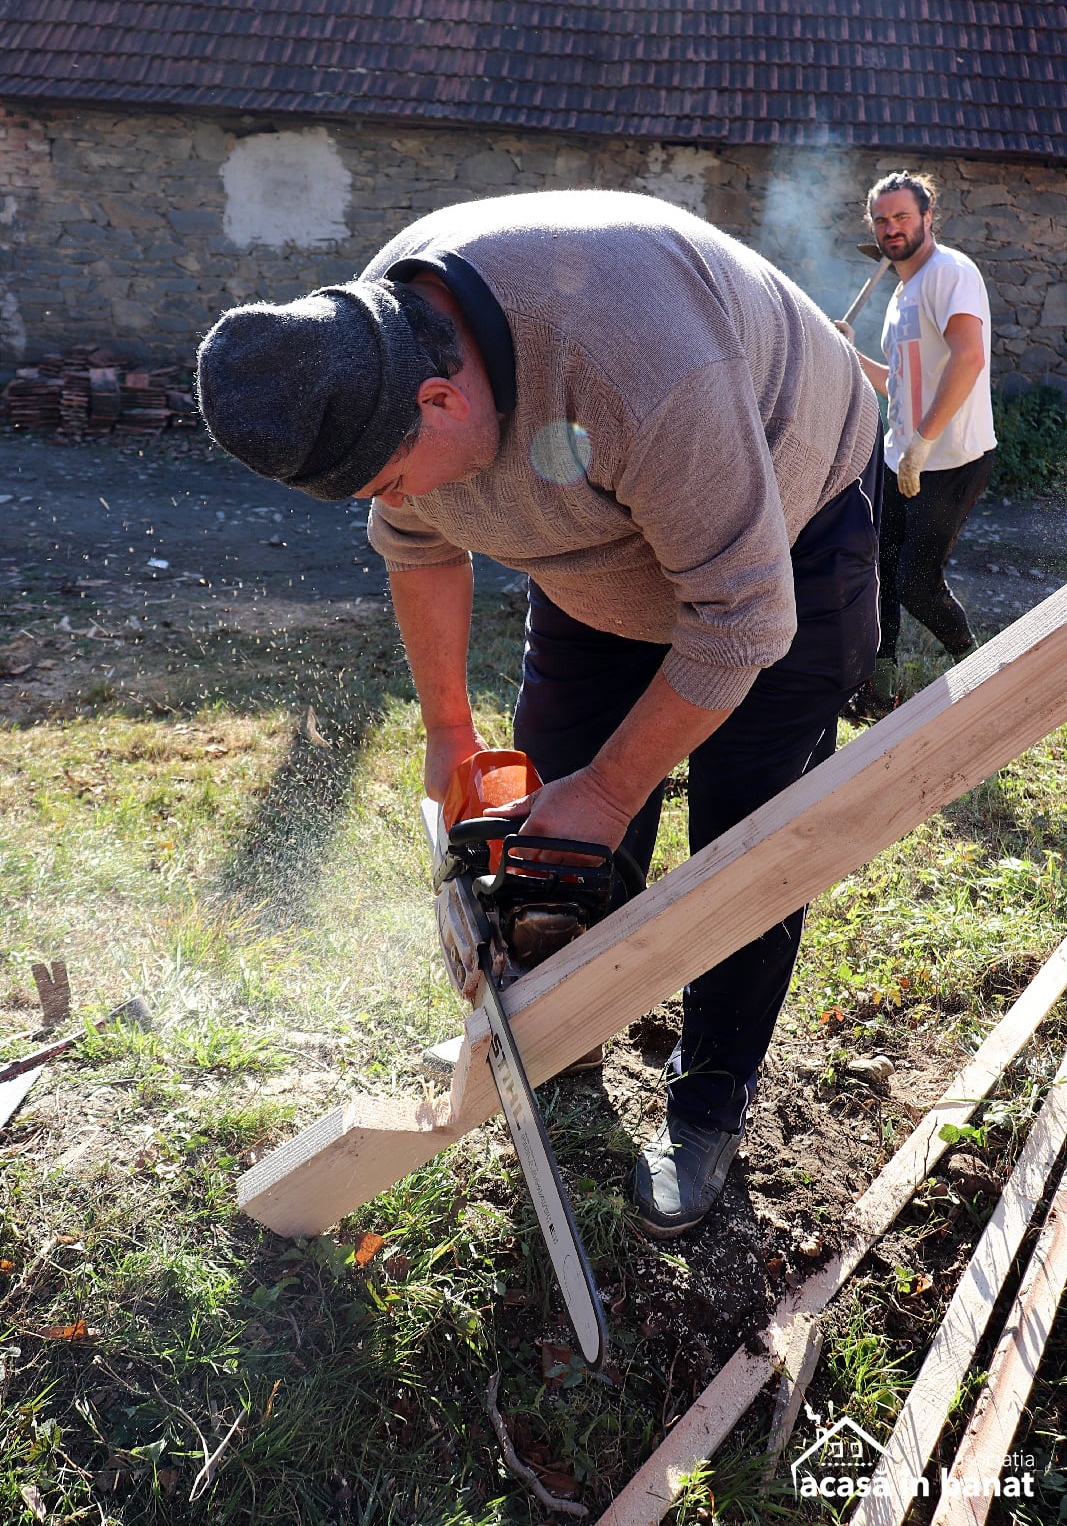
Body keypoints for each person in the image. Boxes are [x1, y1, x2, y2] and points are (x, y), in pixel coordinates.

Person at [196, 189, 882, 1237]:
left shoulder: (633, 363)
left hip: (782, 533)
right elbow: (417, 543)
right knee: (546, 828)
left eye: (388, 477)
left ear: (438, 401)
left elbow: (742, 622)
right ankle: (567, 1029)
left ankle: (706, 1104)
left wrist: (611, 788)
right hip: (595, 561)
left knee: (744, 845)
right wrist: (445, 733)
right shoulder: (374, 335)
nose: (394, 499)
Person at [836, 171, 996, 712]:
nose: (891, 227)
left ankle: (980, 673)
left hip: (951, 457)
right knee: (879, 570)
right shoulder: (903, 290)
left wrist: (924, 442)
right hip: (902, 455)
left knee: (917, 583)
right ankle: (880, 688)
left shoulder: (950, 273)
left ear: (928, 218)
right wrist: (849, 357)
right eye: (881, 219)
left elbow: (969, 358)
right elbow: (900, 382)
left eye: (902, 216)